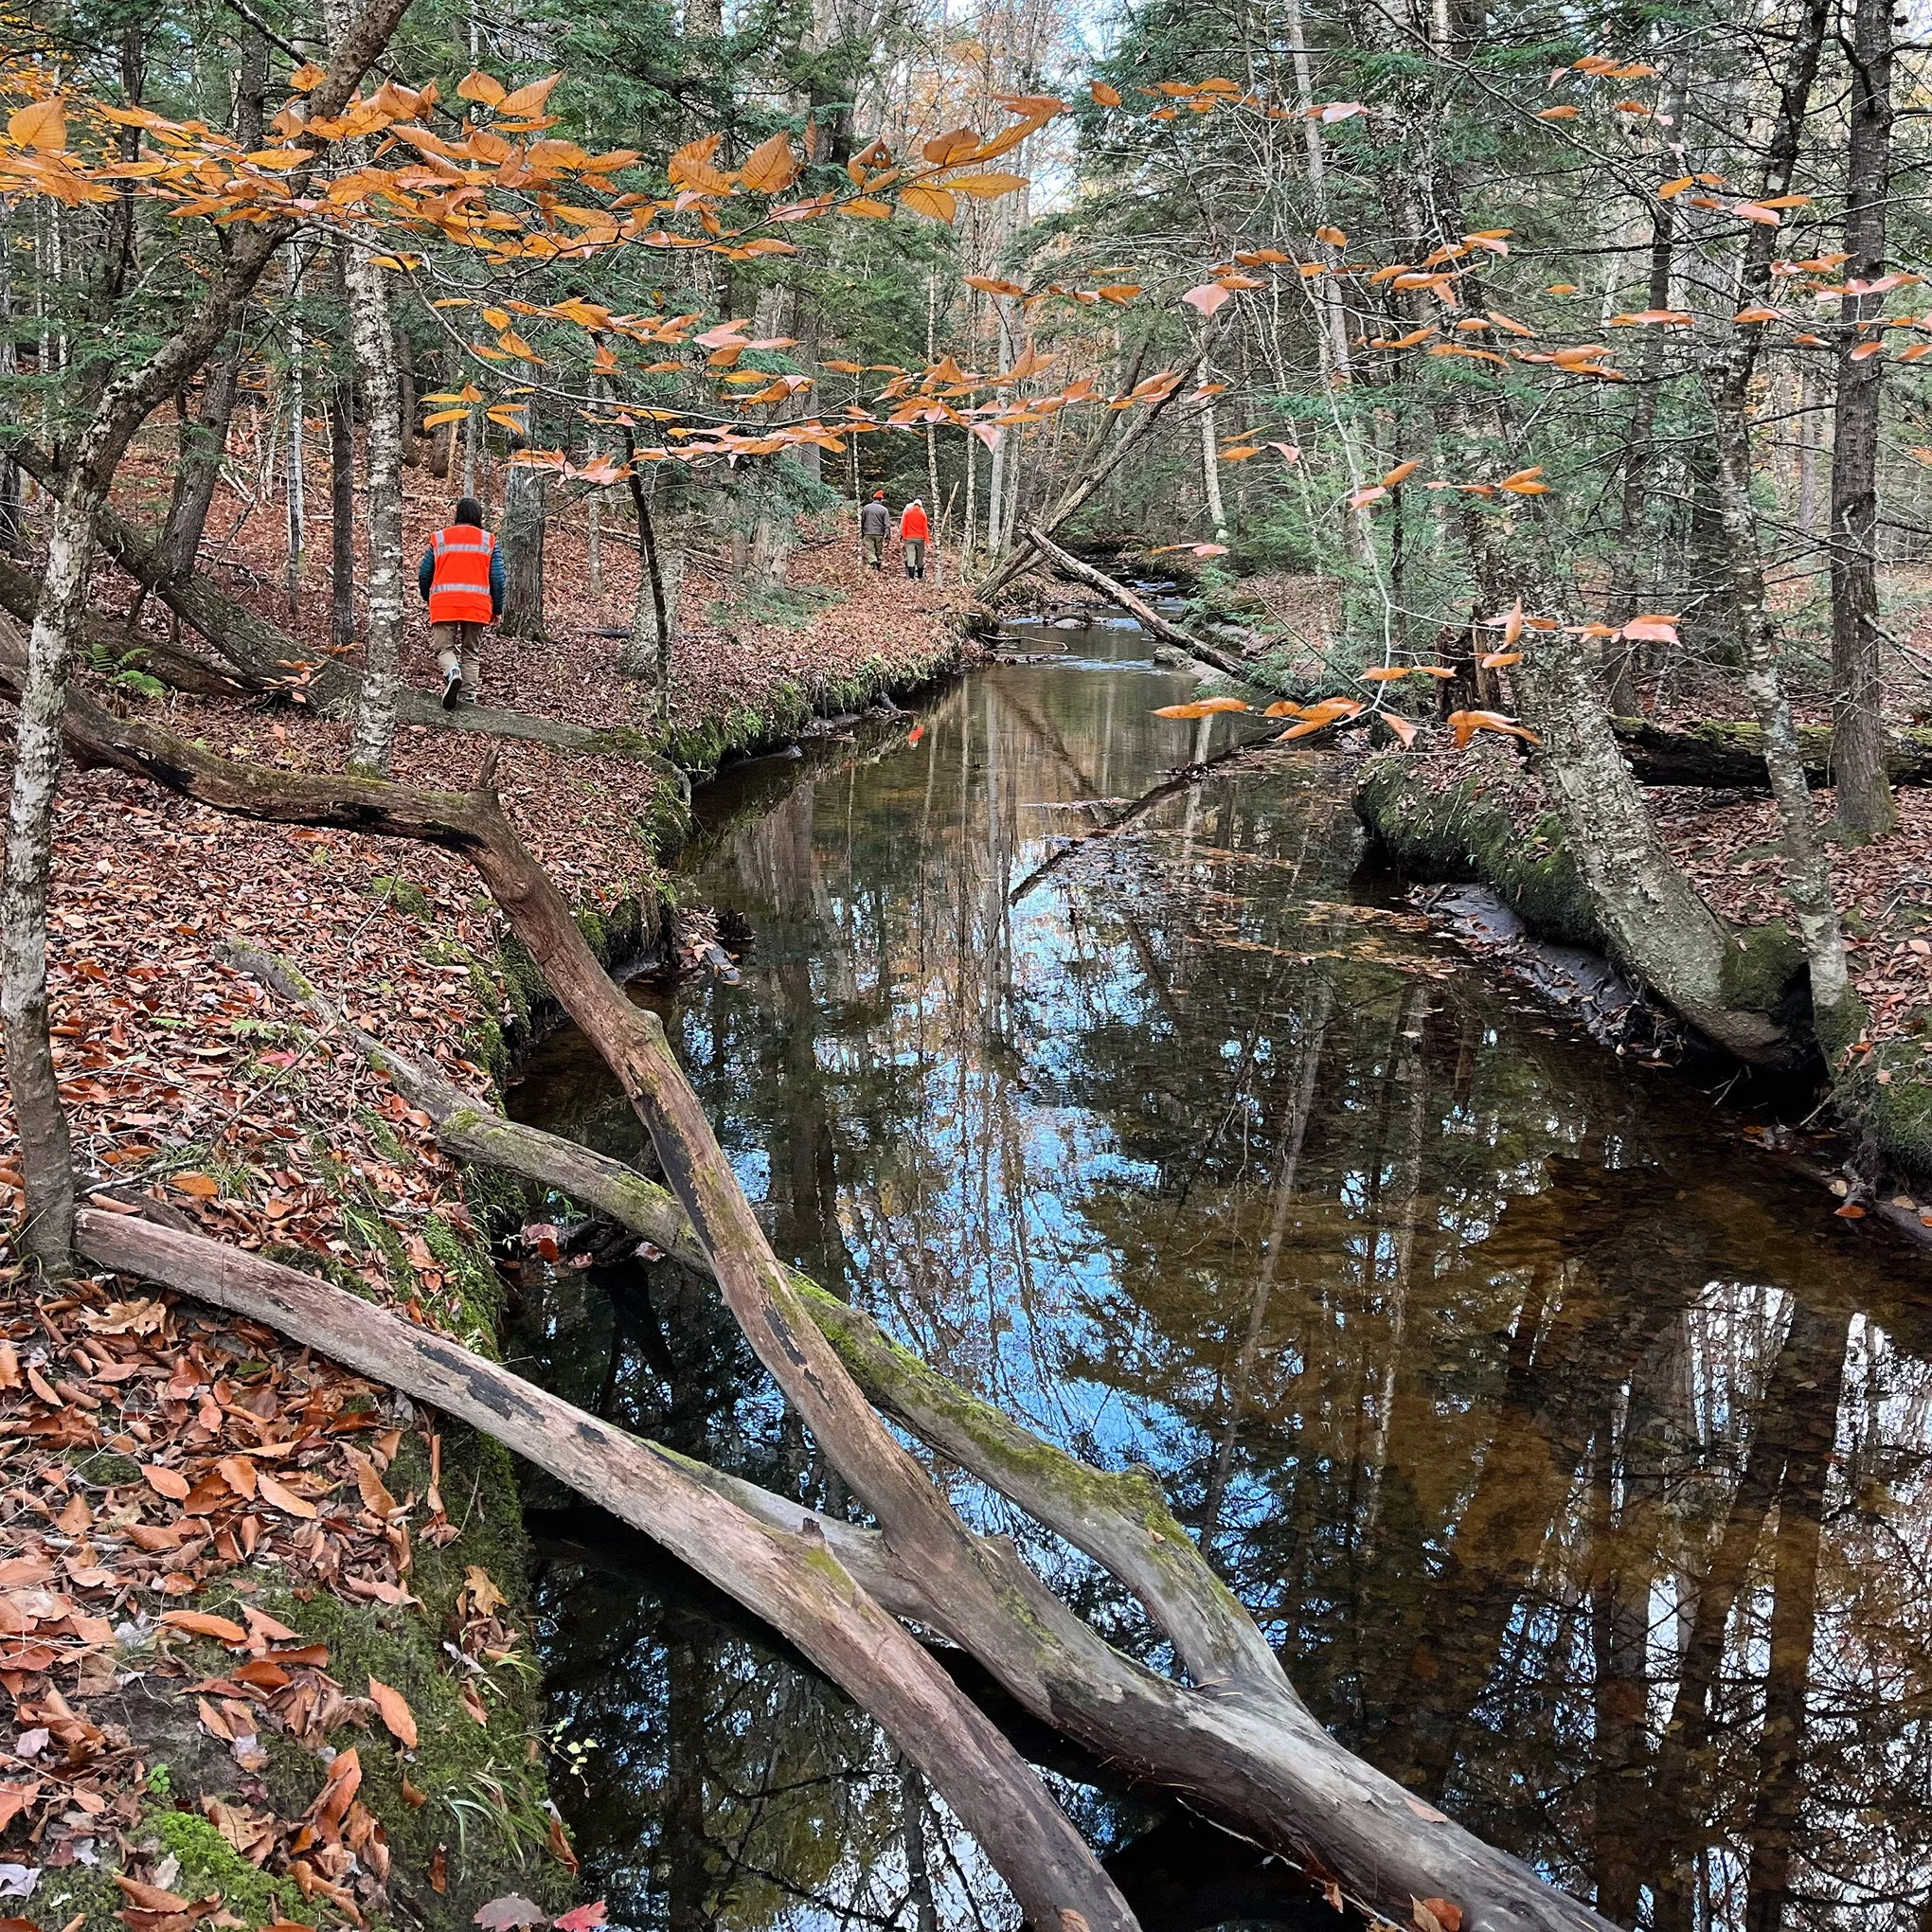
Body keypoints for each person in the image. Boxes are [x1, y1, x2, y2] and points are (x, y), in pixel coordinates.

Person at [419, 495, 505, 708]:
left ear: (457, 514)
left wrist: (428, 596)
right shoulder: (488, 541)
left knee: (443, 648)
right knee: (471, 652)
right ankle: (466, 697)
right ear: (479, 516)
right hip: (477, 605)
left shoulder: (441, 538)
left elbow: (424, 573)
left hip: (444, 602)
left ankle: (452, 672)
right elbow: (498, 578)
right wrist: (497, 607)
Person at [859, 489, 890, 570]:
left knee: (870, 550)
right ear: (881, 499)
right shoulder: (884, 510)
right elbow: (887, 524)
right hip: (879, 534)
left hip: (868, 533)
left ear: (873, 499)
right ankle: (878, 564)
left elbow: (863, 521)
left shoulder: (866, 508)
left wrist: (862, 532)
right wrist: (888, 536)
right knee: (878, 550)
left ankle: (873, 563)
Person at [899, 497, 929, 580]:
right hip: (920, 538)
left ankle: (911, 576)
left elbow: (904, 526)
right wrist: (927, 541)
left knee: (910, 556)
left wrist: (904, 536)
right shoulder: (923, 515)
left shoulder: (907, 514)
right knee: (920, 557)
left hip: (909, 538)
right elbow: (925, 528)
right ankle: (920, 575)